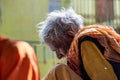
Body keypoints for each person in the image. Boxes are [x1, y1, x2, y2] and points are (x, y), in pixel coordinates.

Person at [38, 8, 120, 80]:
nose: (58, 56)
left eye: (58, 48)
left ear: (70, 35)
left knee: (58, 71)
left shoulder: (86, 43)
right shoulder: (81, 49)